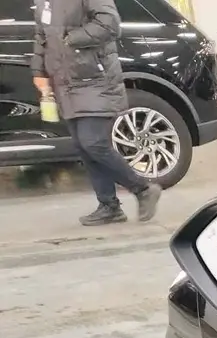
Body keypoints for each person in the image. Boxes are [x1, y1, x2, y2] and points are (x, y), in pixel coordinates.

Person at [32, 0, 162, 227]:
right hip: (65, 81)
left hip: (94, 77)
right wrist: (38, 70)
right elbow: (40, 36)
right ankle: (109, 206)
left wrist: (69, 39)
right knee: (83, 146)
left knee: (93, 142)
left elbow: (109, 23)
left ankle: (142, 189)